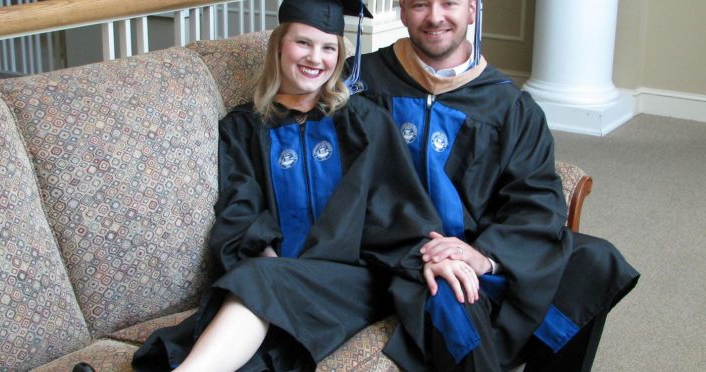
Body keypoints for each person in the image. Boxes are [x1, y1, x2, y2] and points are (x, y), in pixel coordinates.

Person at [131, 1, 483, 370]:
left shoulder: (364, 122)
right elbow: (240, 206)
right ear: (279, 45)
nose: (316, 58)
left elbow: (397, 207)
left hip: (356, 281)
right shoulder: (244, 128)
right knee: (255, 353)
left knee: (255, 295)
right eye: (303, 43)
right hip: (282, 278)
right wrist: (269, 264)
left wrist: (430, 257)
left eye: (329, 48)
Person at [350, 0, 641, 371]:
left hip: (479, 240)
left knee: (595, 261)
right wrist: (432, 251)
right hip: (397, 251)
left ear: (472, 10)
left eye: (449, 3)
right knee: (452, 293)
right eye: (420, 4)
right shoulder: (361, 83)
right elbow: (342, 187)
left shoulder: (508, 104)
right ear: (403, 12)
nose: (436, 16)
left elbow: (535, 198)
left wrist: (485, 256)